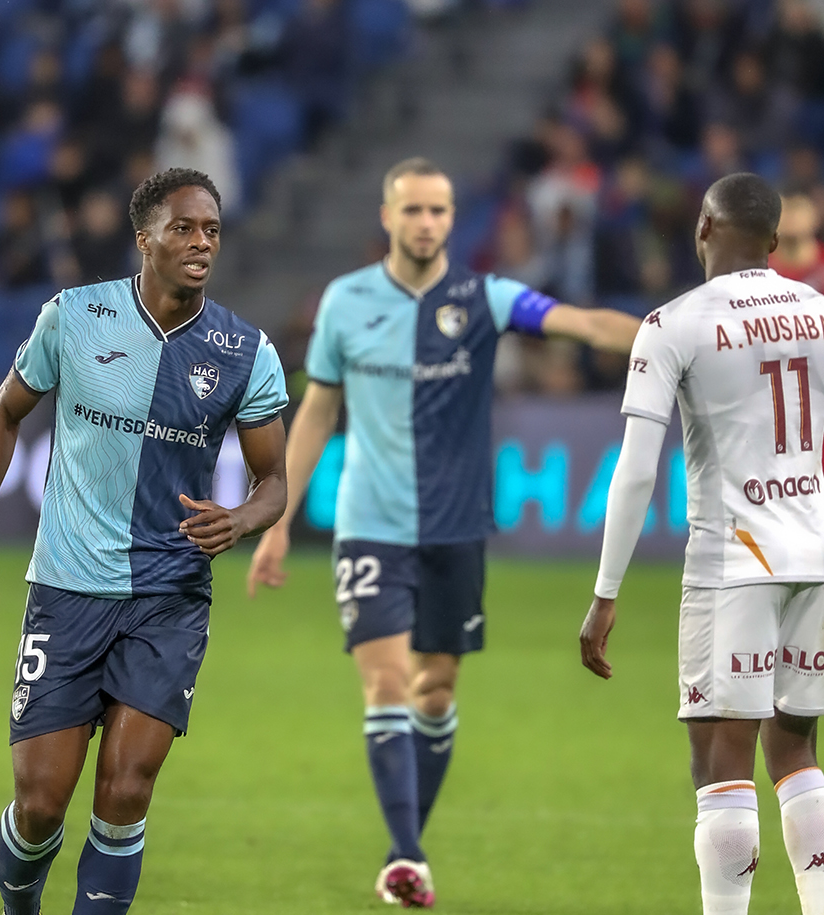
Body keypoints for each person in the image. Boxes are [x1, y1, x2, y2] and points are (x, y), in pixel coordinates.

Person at [245, 156, 641, 907]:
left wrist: (670, 338)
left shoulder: (485, 298)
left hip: (456, 528)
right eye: (414, 210)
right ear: (387, 217)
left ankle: (406, 852)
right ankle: (406, 854)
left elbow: (581, 324)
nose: (427, 222)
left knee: (435, 689)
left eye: (439, 211)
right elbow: (319, 411)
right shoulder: (346, 302)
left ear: (452, 220)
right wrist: (278, 518)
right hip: (370, 523)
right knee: (387, 682)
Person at [0, 167, 288, 915]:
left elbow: (274, 482)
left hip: (168, 597)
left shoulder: (244, 349)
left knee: (126, 790)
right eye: (183, 228)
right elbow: (4, 415)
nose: (201, 242)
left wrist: (238, 520)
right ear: (145, 240)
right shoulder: (72, 317)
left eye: (211, 230)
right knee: (41, 803)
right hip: (67, 588)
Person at [579, 173, 824, 915]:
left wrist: (605, 593)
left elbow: (633, 472)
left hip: (735, 562)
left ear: (704, 231)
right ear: (776, 243)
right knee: (796, 747)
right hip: (816, 559)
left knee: (721, 758)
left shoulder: (673, 323)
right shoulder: (818, 310)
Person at [768, 190, 824, 294]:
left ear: (816, 218)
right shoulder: (756, 264)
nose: (792, 217)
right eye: (786, 210)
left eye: (798, 208)